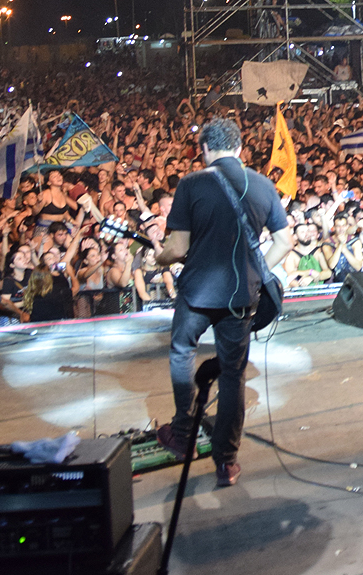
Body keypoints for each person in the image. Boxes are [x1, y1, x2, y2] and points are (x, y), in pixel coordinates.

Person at [151, 117, 293, 489]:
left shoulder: (192, 183)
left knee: (182, 350)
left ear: (204, 149)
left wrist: (160, 257)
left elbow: (178, 248)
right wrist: (256, 269)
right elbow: (284, 242)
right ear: (240, 148)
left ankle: (182, 433)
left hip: (198, 293)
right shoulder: (263, 184)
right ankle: (226, 462)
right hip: (241, 296)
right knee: (232, 374)